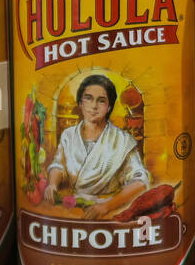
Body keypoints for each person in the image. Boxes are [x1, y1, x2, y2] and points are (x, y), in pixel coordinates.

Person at [44, 74, 151, 220]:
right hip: (75, 208)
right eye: (88, 98)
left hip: (110, 211)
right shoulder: (68, 135)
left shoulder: (123, 140)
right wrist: (52, 184)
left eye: (101, 101)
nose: (93, 106)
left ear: (109, 107)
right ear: (80, 103)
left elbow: (140, 181)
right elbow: (59, 165)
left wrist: (106, 206)